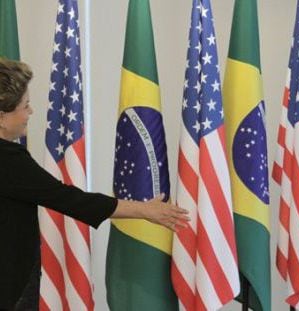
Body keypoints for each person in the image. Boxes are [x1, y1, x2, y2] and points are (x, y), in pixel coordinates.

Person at [0, 58, 189, 310]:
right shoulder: (8, 160)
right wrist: (144, 210)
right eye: (26, 106)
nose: (30, 113)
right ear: (2, 116)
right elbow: (68, 199)